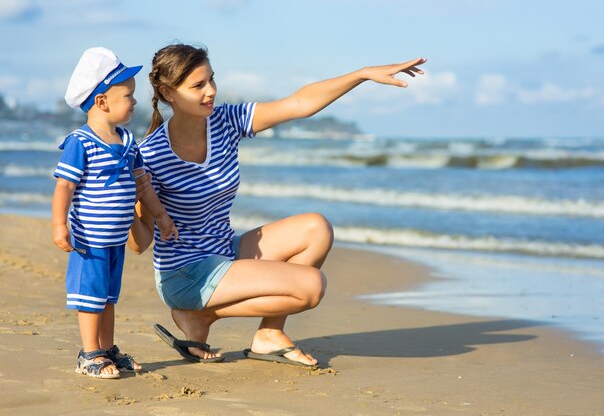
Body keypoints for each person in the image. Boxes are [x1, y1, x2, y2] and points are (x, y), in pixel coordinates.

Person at [129, 43, 425, 367]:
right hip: (185, 275)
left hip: (225, 251)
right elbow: (140, 243)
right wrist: (127, 197)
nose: (211, 91)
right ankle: (195, 314)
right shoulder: (150, 155)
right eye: (198, 85)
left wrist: (363, 74)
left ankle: (268, 335)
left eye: (212, 80)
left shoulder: (225, 122)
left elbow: (299, 103)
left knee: (316, 228)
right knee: (310, 287)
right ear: (169, 93)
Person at [52, 47, 178, 379]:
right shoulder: (81, 143)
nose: (135, 101)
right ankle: (89, 353)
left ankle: (106, 349)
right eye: (128, 95)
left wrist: (162, 217)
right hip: (89, 242)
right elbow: (64, 187)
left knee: (108, 298)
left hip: (115, 241)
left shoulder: (127, 141)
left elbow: (143, 187)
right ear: (102, 101)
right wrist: (59, 225)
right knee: (90, 298)